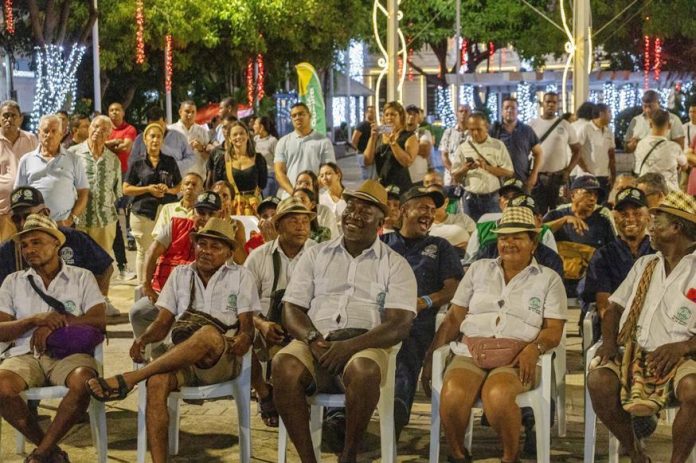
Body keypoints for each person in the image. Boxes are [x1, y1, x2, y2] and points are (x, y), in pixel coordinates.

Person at [86, 218, 257, 463]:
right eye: (202, 244)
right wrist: (143, 339)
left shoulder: (241, 277)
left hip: (220, 360)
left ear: (230, 252)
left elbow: (248, 328)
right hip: (183, 358)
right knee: (156, 382)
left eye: (215, 247)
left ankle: (131, 378)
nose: (206, 251)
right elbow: (163, 321)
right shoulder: (181, 274)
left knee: (208, 333)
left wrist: (243, 339)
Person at [272, 179, 417, 463]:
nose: (354, 215)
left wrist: (349, 346)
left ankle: (348, 455)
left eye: (365, 210)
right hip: (317, 339)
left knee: (363, 370)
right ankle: (307, 459)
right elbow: (291, 308)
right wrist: (313, 339)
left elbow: (400, 324)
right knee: (283, 365)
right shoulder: (316, 254)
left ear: (381, 219)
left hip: (365, 342)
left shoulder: (395, 264)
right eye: (351, 207)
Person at [422, 205, 566, 463]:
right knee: (453, 393)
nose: (508, 243)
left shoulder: (548, 279)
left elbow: (554, 330)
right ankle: (457, 454)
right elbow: (454, 316)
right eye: (503, 237)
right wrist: (431, 355)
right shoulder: (478, 269)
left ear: (533, 242)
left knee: (498, 395)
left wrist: (535, 348)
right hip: (471, 350)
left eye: (517, 237)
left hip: (517, 355)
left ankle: (510, 457)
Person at [587, 190, 696, 463]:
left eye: (656, 223)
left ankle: (677, 460)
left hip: (684, 355)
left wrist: (682, 346)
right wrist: (610, 343)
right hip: (634, 351)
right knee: (599, 381)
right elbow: (614, 308)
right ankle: (634, 450)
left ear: (676, 228)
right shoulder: (645, 264)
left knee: (693, 390)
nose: (650, 228)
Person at [0, 214, 106, 463]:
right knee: (1, 387)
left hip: (69, 354)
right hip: (24, 354)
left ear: (57, 243)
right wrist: (33, 320)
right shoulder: (13, 282)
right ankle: (50, 451)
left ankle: (39, 455)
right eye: (24, 245)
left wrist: (55, 325)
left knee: (84, 383)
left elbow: (99, 320)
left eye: (36, 242)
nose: (29, 250)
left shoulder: (82, 277)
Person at [382, 186, 463, 438]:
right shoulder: (383, 243)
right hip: (378, 317)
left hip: (419, 320)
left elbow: (454, 288)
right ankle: (338, 415)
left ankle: (397, 409)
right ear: (404, 210)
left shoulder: (439, 246)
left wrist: (425, 301)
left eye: (432, 210)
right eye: (423, 208)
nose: (429, 214)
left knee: (407, 348)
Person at [245, 197, 317, 427]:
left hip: (307, 323)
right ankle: (264, 391)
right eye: (293, 221)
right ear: (277, 226)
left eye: (305, 221)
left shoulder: (319, 253)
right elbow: (243, 302)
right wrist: (262, 324)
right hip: (268, 323)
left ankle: (296, 397)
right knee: (244, 335)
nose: (300, 226)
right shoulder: (259, 256)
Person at [129, 191, 225, 359]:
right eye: (201, 212)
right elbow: (152, 253)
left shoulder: (224, 239)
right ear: (192, 212)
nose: (205, 218)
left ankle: (168, 360)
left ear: (220, 214)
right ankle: (155, 355)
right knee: (138, 312)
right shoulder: (176, 226)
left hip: (198, 303)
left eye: (212, 213)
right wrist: (146, 284)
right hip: (162, 295)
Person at [582, 187, 654, 343]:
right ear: (615, 219)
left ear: (648, 217)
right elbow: (604, 305)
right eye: (623, 214)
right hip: (616, 329)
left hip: (655, 328)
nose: (630, 219)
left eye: (637, 213)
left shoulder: (659, 252)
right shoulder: (603, 255)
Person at [123, 123, 182, 284]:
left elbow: (179, 186)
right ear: (145, 139)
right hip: (142, 212)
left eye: (159, 136)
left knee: (163, 250)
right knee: (143, 251)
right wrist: (147, 188)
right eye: (152, 136)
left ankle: (161, 285)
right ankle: (143, 286)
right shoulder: (137, 163)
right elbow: (126, 189)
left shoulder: (169, 161)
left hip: (165, 210)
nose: (155, 140)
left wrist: (167, 190)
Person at [544, 175, 616, 296]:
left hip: (589, 288)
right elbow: (535, 234)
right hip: (556, 286)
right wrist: (564, 220)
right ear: (573, 195)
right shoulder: (555, 216)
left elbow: (612, 254)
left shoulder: (603, 222)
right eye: (588, 193)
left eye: (595, 195)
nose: (593, 199)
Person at [14, 115, 89, 227]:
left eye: (54, 131)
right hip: (35, 225)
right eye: (46, 131)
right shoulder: (26, 160)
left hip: (64, 224)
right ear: (38, 133)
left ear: (61, 134)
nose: (49, 135)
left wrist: (71, 218)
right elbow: (18, 195)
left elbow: (83, 192)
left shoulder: (73, 159)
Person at [69, 115, 121, 257]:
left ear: (109, 134)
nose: (98, 131)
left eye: (104, 129)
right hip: (79, 221)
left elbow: (117, 192)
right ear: (89, 128)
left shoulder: (113, 159)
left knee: (103, 266)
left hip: (105, 222)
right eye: (95, 126)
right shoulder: (72, 154)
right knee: (79, 266)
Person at [451, 112, 514, 221]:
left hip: (493, 198)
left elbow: (509, 172)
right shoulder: (463, 147)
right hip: (470, 198)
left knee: (493, 231)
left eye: (478, 129)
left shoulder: (498, 145)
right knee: (471, 231)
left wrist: (487, 167)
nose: (475, 133)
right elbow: (455, 176)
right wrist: (465, 168)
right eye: (471, 129)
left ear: (487, 127)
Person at [530, 92, 581, 214]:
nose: (551, 105)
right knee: (538, 213)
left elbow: (577, 150)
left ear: (558, 105)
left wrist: (568, 170)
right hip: (538, 179)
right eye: (548, 102)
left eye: (554, 102)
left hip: (558, 178)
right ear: (542, 104)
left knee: (560, 212)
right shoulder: (532, 125)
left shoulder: (565, 125)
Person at [105, 102, 138, 280]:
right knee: (114, 210)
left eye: (117, 109)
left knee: (128, 207)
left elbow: (126, 146)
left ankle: (130, 237)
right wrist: (112, 143)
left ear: (123, 112)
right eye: (111, 110)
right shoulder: (106, 128)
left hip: (125, 172)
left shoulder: (130, 129)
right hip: (108, 174)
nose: (114, 112)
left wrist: (110, 145)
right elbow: (102, 145)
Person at [274, 102, 335, 198]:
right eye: (294, 115)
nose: (297, 117)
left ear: (309, 115)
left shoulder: (324, 142)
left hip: (317, 197)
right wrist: (294, 193)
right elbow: (279, 172)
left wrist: (309, 194)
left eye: (301, 114)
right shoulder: (283, 142)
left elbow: (328, 172)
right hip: (290, 197)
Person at [206, 121, 267, 215]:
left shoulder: (259, 159)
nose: (238, 137)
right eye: (235, 134)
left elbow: (262, 184)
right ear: (229, 138)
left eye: (242, 133)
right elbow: (216, 185)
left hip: (253, 208)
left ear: (247, 135)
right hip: (229, 208)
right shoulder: (222, 160)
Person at [0, 100, 38, 241]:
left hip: (26, 210)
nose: (9, 119)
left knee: (25, 251)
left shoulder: (31, 139)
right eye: (5, 115)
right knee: (3, 254)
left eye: (13, 116)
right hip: (2, 210)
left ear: (20, 118)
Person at [363, 101, 418, 193]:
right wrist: (372, 138)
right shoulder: (379, 135)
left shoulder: (409, 136)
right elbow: (367, 161)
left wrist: (392, 142)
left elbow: (407, 162)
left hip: (400, 187)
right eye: (386, 115)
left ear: (401, 116)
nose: (389, 118)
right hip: (381, 186)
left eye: (393, 114)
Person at [490, 97, 543, 191]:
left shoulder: (527, 130)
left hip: (522, 181)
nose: (509, 110)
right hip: (499, 183)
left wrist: (534, 174)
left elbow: (538, 153)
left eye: (513, 108)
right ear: (502, 111)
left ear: (517, 111)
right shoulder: (494, 131)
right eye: (506, 108)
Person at [129, 106, 196, 177]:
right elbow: (132, 161)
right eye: (152, 126)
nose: (157, 129)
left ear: (166, 121)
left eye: (159, 125)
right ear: (148, 124)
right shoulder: (140, 139)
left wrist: (175, 165)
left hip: (174, 182)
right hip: (147, 184)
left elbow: (191, 158)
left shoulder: (179, 137)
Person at [633, 108, 687, 191]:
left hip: (646, 192)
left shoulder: (640, 144)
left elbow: (637, 168)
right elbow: (685, 166)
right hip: (669, 194)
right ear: (669, 126)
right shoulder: (674, 147)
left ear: (650, 124)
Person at [624, 89, 685, 154]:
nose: (648, 110)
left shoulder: (673, 119)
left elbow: (680, 146)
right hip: (642, 162)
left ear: (659, 103)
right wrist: (631, 146)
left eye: (651, 106)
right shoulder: (635, 120)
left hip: (665, 162)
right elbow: (626, 148)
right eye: (645, 106)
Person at [151, 172, 204, 238]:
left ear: (201, 191)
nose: (189, 187)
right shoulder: (167, 209)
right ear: (181, 189)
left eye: (194, 184)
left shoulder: (204, 213)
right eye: (187, 184)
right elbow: (158, 234)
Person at [209, 180, 249, 265]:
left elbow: (242, 260)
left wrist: (225, 227)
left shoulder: (237, 225)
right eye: (216, 195)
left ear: (232, 202)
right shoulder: (203, 220)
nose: (220, 199)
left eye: (225, 196)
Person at [168, 100, 210, 179]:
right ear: (180, 112)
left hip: (198, 179)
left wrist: (201, 148)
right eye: (187, 111)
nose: (190, 115)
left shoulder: (202, 131)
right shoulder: (170, 130)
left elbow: (208, 157)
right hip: (177, 179)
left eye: (193, 112)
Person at [295, 169, 339, 238]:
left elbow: (333, 240)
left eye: (307, 184)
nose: (302, 186)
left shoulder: (324, 212)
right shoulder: (286, 211)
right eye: (299, 183)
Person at [440, 104, 471, 185]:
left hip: (469, 177)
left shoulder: (474, 134)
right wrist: (453, 172)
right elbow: (444, 155)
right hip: (450, 178)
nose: (463, 113)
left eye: (466, 111)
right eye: (461, 111)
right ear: (456, 114)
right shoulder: (448, 132)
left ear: (470, 114)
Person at [405, 105, 431, 185]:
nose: (411, 116)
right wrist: (416, 145)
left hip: (418, 177)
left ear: (418, 118)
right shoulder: (398, 132)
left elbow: (424, 151)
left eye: (414, 114)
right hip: (402, 176)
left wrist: (402, 147)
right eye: (409, 113)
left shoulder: (423, 132)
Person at [253, 116, 279, 197]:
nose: (253, 126)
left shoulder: (273, 141)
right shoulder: (255, 139)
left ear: (261, 127)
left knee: (266, 201)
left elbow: (278, 161)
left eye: (255, 124)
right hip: (256, 177)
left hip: (269, 176)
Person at [318, 162, 346, 233]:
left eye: (328, 174)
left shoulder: (350, 197)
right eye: (321, 176)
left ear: (338, 175)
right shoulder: (320, 199)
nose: (324, 178)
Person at [351, 105, 377, 180]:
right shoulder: (362, 125)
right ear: (366, 113)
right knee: (367, 176)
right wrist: (359, 150)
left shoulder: (374, 125)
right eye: (370, 112)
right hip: (363, 154)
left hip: (371, 155)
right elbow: (354, 140)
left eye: (373, 112)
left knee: (372, 177)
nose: (372, 114)